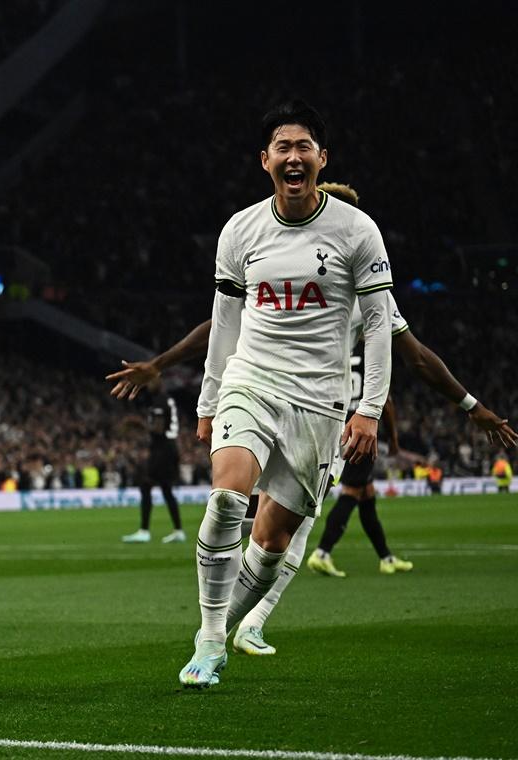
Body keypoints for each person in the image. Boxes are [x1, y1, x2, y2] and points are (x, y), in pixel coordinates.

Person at [109, 181, 516, 660]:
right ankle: (220, 631)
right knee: (233, 503)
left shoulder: (366, 278)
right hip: (259, 392)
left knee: (286, 531)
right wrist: (164, 366)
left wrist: (469, 406)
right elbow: (221, 321)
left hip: (326, 414)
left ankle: (247, 622)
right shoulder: (275, 252)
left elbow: (417, 356)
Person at [176, 101, 396, 689]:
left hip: (320, 400)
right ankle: (209, 637)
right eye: (282, 147)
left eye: (304, 147)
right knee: (226, 496)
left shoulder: (357, 231)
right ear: (265, 161)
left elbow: (379, 326)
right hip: (252, 379)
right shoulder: (240, 230)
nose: (293, 156)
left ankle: (224, 631)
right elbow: (223, 321)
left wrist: (368, 408)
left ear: (321, 160)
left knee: (271, 542)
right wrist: (208, 400)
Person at [122, 380, 185, 544]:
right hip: (169, 447)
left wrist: (139, 424)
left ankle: (144, 531)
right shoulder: (166, 399)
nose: (148, 384)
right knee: (165, 489)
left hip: (163, 448)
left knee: (145, 484)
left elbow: (158, 428)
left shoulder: (160, 400)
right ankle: (178, 530)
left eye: (150, 381)